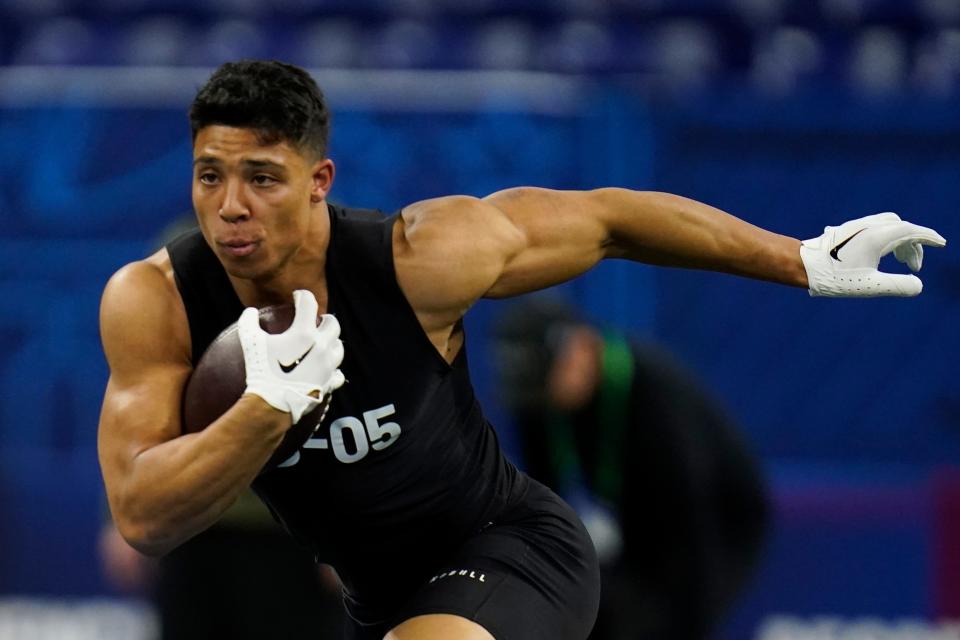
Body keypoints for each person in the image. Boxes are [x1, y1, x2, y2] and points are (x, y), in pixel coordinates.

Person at [96, 60, 945, 640]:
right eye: (210, 175)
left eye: (263, 177)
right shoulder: (157, 301)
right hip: (375, 599)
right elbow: (144, 516)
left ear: (319, 181)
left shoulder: (419, 259)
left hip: (509, 546)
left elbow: (611, 220)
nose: (231, 206)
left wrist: (799, 259)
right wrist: (265, 411)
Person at [493, 298, 770, 639]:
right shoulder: (537, 398)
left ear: (582, 348)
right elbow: (543, 500)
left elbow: (690, 529)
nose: (545, 398)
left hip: (719, 518)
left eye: (551, 380)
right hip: (635, 514)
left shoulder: (655, 401)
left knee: (656, 620)